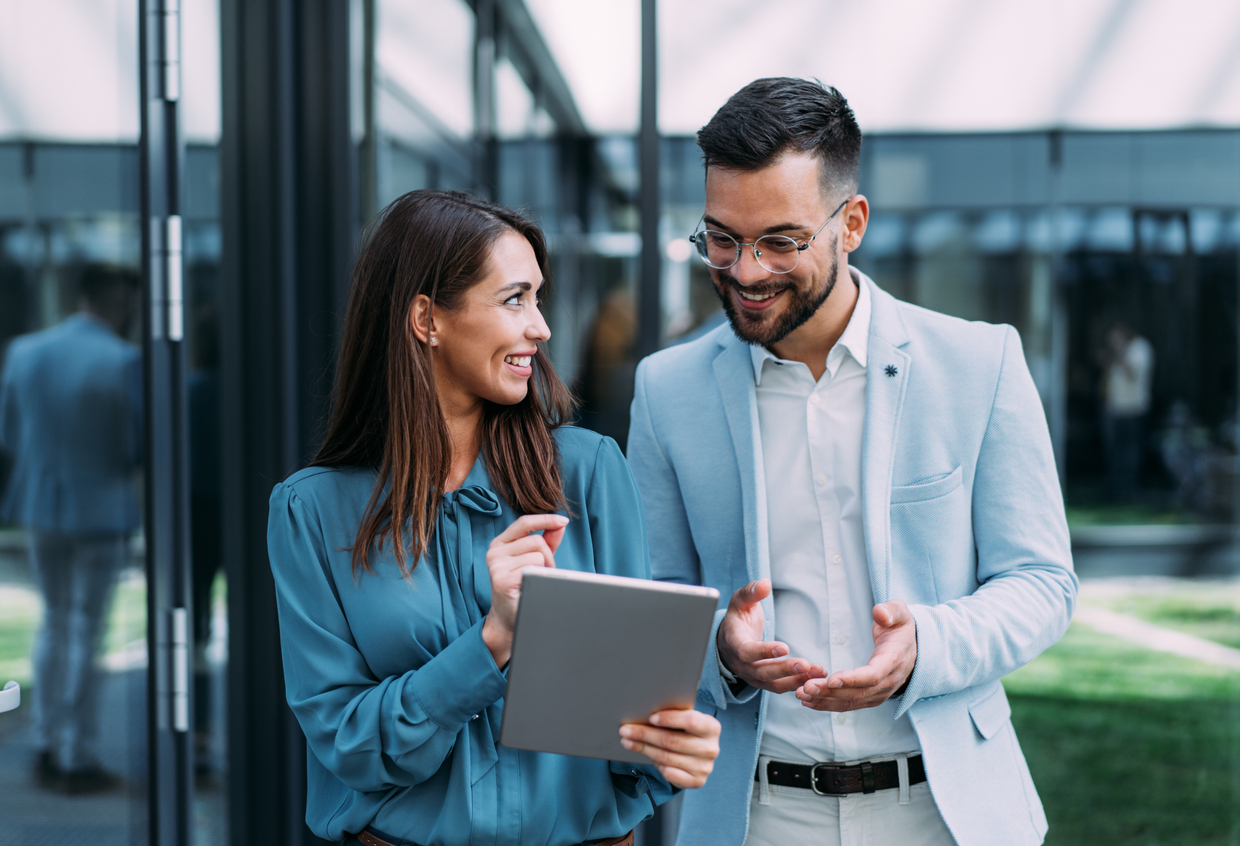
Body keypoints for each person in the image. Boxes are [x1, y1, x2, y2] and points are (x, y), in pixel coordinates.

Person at [626, 79, 1077, 846]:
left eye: (780, 241)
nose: (744, 272)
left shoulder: (979, 363)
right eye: (722, 239)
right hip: (753, 813)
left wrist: (925, 646)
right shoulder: (666, 390)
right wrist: (720, 650)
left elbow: (1042, 583)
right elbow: (650, 600)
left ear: (852, 222)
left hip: (945, 811)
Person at [267, 190, 721, 846]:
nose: (541, 327)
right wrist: (493, 640)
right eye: (515, 300)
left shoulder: (589, 473)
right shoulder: (311, 511)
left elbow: (631, 734)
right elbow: (350, 748)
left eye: (538, 298)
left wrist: (672, 746)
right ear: (427, 318)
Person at [0, 263, 142, 793]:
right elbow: (136, 445)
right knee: (86, 629)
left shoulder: (24, 352)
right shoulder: (124, 359)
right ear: (114, 299)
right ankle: (76, 753)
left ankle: (44, 740)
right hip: (101, 511)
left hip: (41, 503)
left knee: (53, 622)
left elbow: (9, 432)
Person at [1100, 321, 1154, 502]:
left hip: (1133, 409)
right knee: (1115, 451)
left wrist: (1119, 352)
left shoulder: (1140, 348)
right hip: (1116, 408)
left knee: (1131, 452)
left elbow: (1132, 373)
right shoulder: (1119, 352)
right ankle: (1116, 488)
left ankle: (1130, 489)